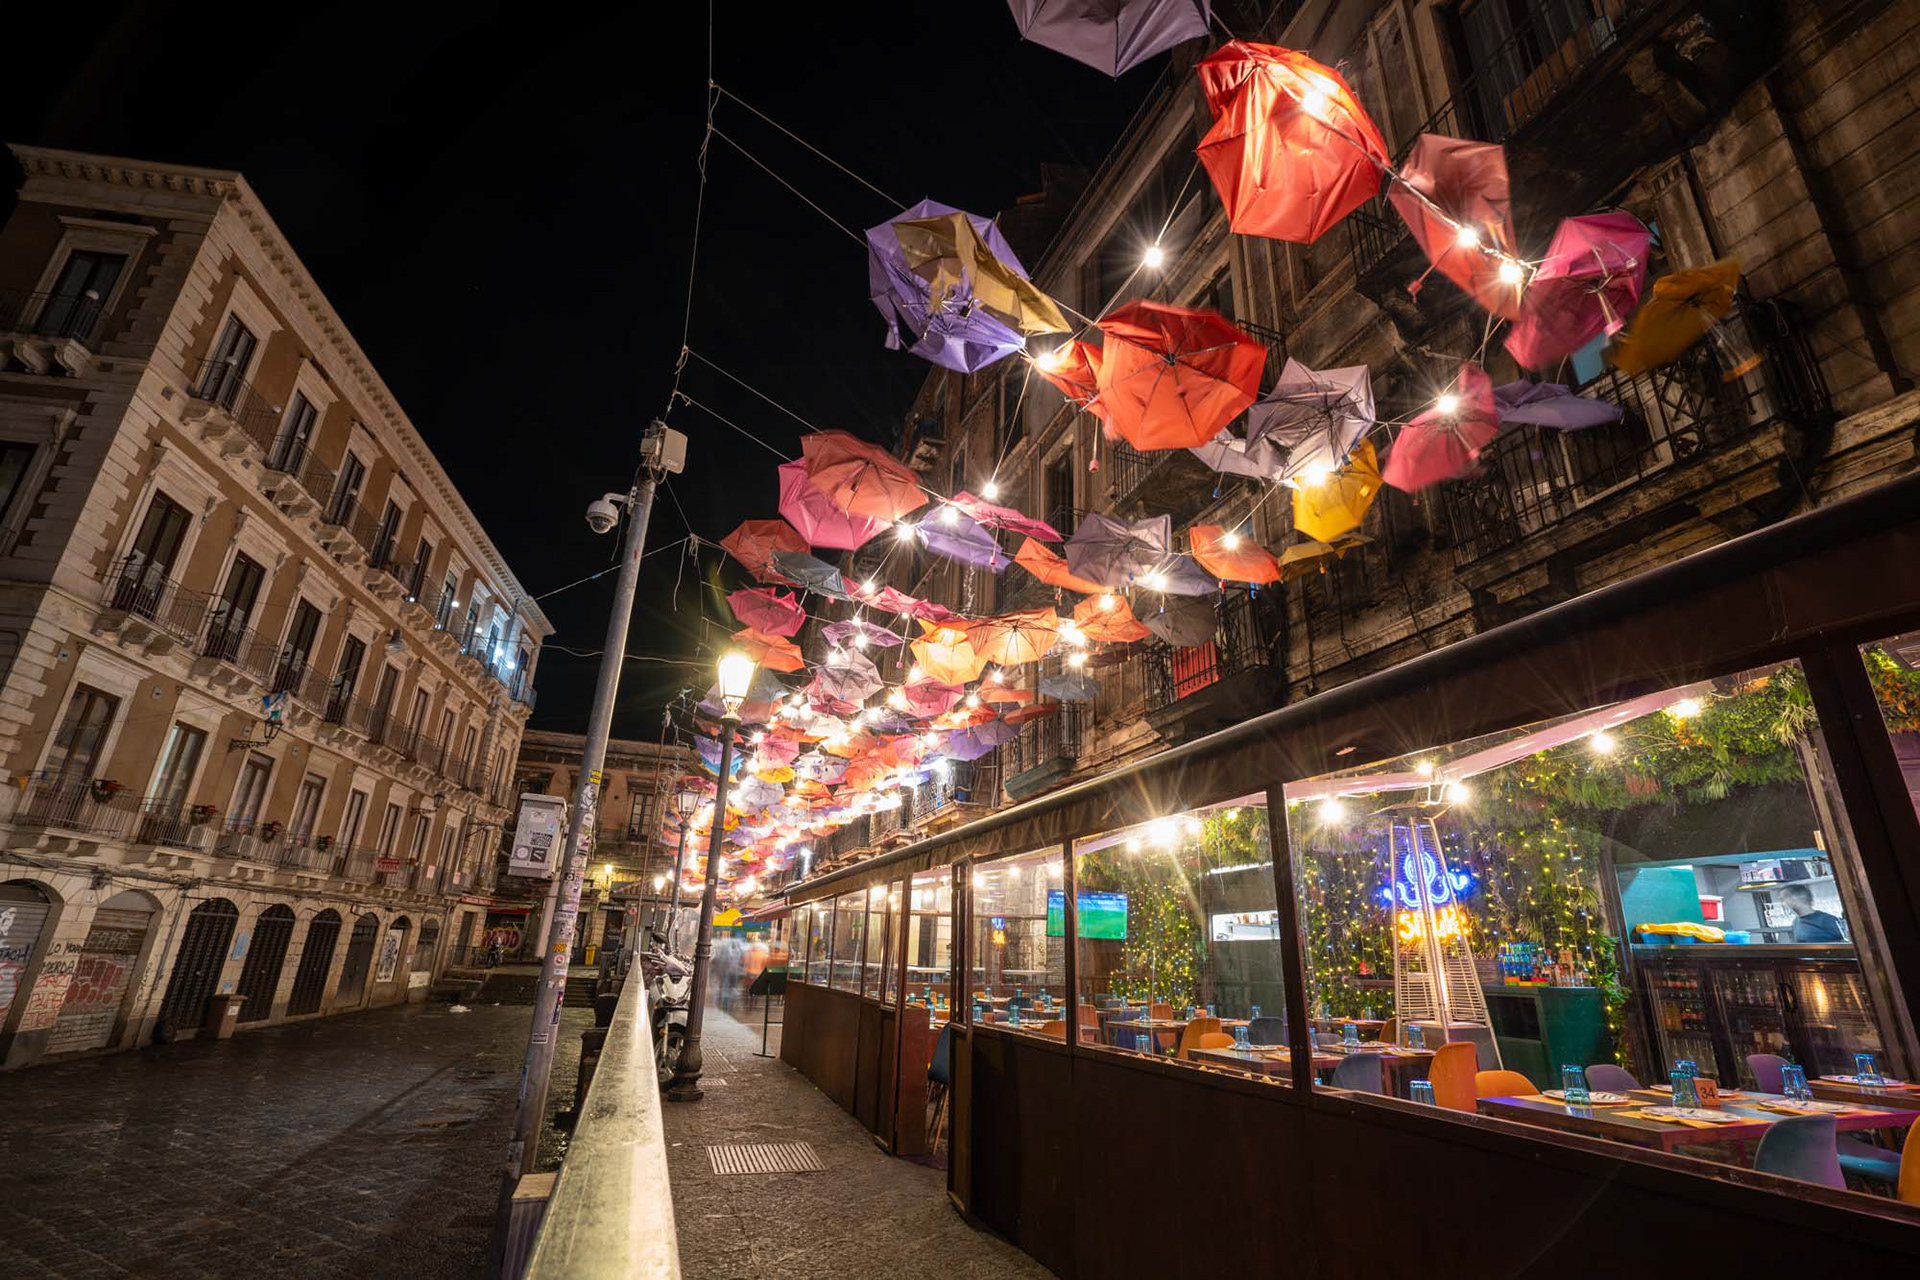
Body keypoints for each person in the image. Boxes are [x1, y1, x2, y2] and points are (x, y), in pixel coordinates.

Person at [1780, 884, 1845, 943]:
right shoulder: (1796, 921)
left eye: (1783, 899)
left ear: (1794, 899)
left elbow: (1847, 941)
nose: (1781, 904)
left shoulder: (1827, 920)